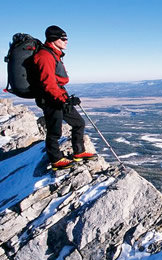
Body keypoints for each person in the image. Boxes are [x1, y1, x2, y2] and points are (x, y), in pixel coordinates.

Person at [34, 25, 96, 170]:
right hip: (50, 99)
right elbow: (48, 83)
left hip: (60, 96)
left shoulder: (54, 54)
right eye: (63, 38)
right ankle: (56, 160)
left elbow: (56, 81)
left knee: (79, 123)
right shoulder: (45, 56)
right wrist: (64, 100)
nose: (66, 41)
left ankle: (79, 152)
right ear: (54, 39)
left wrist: (67, 99)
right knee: (54, 130)